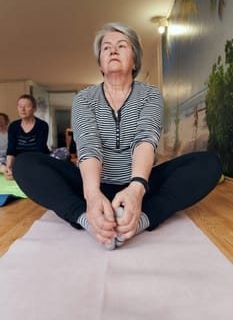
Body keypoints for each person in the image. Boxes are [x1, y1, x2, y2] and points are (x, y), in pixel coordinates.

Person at [13, 23, 222, 250]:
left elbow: (146, 139)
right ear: (100, 64)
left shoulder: (150, 95)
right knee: (25, 164)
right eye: (106, 48)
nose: (113, 50)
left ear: (135, 61)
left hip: (140, 186)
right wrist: (92, 195)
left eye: (122, 46)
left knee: (209, 164)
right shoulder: (84, 99)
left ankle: (141, 219)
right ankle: (87, 219)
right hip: (92, 185)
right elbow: (88, 145)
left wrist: (136, 188)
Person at [4, 94, 50, 180]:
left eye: (27, 106)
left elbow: (40, 149)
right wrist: (9, 167)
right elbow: (11, 149)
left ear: (34, 108)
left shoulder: (42, 125)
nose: (22, 109)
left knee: (61, 155)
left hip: (37, 158)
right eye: (20, 106)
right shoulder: (13, 126)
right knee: (5, 165)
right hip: (19, 158)